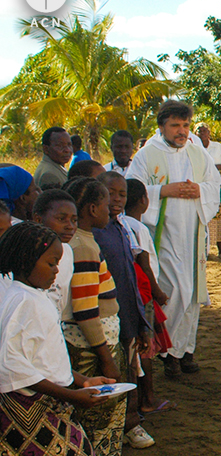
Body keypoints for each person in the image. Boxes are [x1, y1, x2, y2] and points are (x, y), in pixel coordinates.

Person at [0, 222, 115, 456]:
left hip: (50, 401)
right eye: (51, 263)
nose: (56, 271)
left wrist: (82, 380)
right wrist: (71, 396)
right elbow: (12, 365)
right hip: (29, 406)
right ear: (25, 261)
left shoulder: (34, 296)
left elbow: (44, 358)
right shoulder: (24, 302)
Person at [126, 100, 221, 377]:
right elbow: (133, 191)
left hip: (193, 234)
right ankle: (167, 352)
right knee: (175, 291)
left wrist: (199, 191)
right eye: (175, 126)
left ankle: (184, 350)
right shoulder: (146, 155)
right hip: (163, 234)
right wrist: (163, 191)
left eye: (185, 125)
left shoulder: (196, 151)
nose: (182, 131)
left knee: (192, 295)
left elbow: (214, 184)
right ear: (162, 126)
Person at [62, 177, 128, 454]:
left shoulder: (82, 241)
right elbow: (86, 311)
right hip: (91, 347)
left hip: (91, 342)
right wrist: (107, 359)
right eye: (104, 203)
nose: (109, 207)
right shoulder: (84, 247)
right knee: (99, 419)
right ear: (91, 209)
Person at [92, 172, 153, 448]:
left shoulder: (120, 227)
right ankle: (116, 429)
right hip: (103, 319)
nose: (116, 200)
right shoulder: (94, 234)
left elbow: (130, 275)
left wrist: (140, 322)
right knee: (111, 375)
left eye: (121, 194)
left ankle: (130, 423)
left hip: (126, 313)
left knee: (129, 371)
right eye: (110, 194)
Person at [123, 178, 173, 414]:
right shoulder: (138, 228)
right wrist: (157, 291)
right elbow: (144, 262)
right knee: (146, 348)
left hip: (135, 292)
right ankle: (148, 399)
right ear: (145, 200)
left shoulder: (123, 223)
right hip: (143, 294)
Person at [31, 189, 78, 319]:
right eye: (61, 219)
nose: (70, 226)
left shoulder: (67, 251)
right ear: (38, 219)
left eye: (74, 220)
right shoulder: (26, 254)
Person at [195, 123, 221, 259]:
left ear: (209, 133)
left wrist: (208, 167)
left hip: (216, 186)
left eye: (205, 130)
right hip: (200, 186)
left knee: (219, 216)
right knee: (203, 216)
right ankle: (205, 250)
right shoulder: (194, 147)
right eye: (199, 131)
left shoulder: (217, 147)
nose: (202, 133)